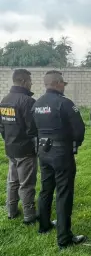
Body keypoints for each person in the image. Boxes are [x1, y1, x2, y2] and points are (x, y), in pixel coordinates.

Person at [32, 70, 86, 248]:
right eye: (63, 83)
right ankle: (64, 238)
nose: (64, 86)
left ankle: (44, 225)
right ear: (56, 83)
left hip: (43, 151)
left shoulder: (37, 103)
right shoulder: (65, 103)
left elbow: (32, 129)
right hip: (61, 153)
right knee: (63, 193)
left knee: (46, 189)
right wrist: (75, 142)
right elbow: (79, 130)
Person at [0, 69, 38, 224]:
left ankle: (11, 211)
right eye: (29, 80)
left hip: (11, 148)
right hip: (26, 150)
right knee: (27, 184)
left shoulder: (4, 100)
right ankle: (29, 215)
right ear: (23, 81)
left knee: (12, 181)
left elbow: (2, 127)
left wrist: (9, 140)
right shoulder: (28, 101)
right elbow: (32, 129)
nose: (31, 83)